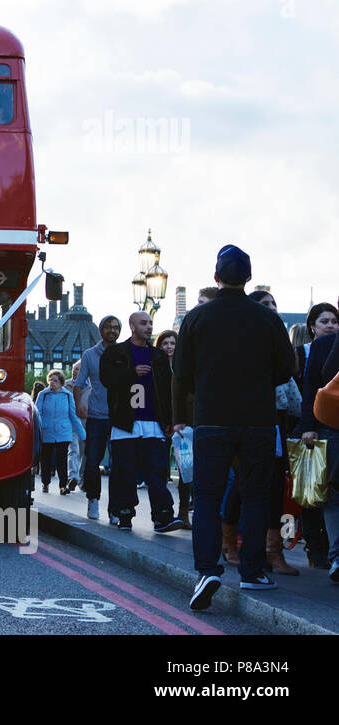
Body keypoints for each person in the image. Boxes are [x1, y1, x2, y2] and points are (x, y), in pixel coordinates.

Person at [175, 245, 296, 611]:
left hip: (211, 418)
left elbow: (181, 372)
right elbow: (286, 368)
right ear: (248, 277)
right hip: (258, 419)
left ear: (216, 277)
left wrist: (201, 393)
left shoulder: (197, 319)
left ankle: (207, 570)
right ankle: (253, 570)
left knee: (208, 496)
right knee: (256, 494)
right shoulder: (267, 318)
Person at [100, 311, 181, 533]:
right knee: (125, 471)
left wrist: (169, 419)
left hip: (153, 423)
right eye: (143, 323)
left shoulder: (158, 356)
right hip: (125, 423)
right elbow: (107, 379)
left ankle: (163, 515)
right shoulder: (115, 352)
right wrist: (131, 373)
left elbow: (166, 390)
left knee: (157, 471)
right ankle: (124, 512)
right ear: (132, 326)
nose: (148, 327)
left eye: (151, 323)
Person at [248, 289, 302, 576]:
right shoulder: (243, 338)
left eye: (274, 303)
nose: (271, 308)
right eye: (265, 304)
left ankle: (273, 551)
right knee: (244, 489)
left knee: (274, 489)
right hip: (247, 418)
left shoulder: (278, 339)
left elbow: (294, 399)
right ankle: (234, 544)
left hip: (276, 421)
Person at [296, 303, 339, 581]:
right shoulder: (324, 346)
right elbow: (312, 385)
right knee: (334, 493)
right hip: (331, 426)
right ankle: (337, 557)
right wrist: (308, 427)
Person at [75, 315, 122, 520]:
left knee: (119, 464)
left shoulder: (124, 352)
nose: (112, 331)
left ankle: (115, 509)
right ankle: (93, 500)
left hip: (120, 417)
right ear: (101, 330)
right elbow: (78, 383)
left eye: (116, 327)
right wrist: (79, 405)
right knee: (93, 461)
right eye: (108, 327)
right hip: (96, 416)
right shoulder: (89, 355)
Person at [154, 330, 190, 528]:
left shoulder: (183, 367)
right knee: (160, 467)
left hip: (183, 423)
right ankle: (163, 509)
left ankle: (184, 511)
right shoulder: (156, 367)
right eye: (165, 343)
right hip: (161, 423)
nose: (169, 347)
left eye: (173, 343)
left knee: (186, 468)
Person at [34, 370, 85, 495]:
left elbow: (73, 416)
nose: (52, 383)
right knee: (45, 459)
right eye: (50, 380)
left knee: (62, 460)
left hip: (63, 432)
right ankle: (45, 483)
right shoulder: (43, 394)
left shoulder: (67, 395)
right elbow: (37, 413)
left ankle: (63, 485)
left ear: (61, 382)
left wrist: (83, 434)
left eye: (55, 380)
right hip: (47, 432)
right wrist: (35, 431)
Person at [64, 359, 83, 491]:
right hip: (71, 424)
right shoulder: (65, 386)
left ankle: (81, 479)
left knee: (85, 453)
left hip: (85, 424)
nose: (73, 371)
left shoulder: (90, 386)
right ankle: (73, 477)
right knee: (73, 450)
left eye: (77, 369)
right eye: (73, 368)